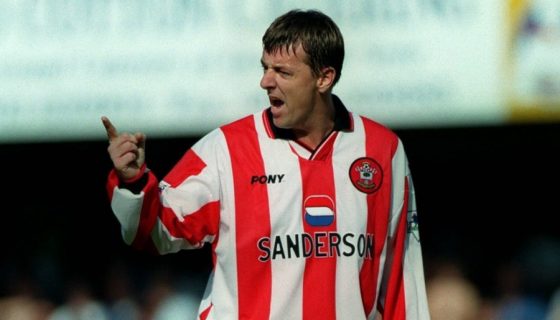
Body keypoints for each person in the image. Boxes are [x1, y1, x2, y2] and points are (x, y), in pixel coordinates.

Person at [102, 9, 430, 320]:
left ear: (324, 78)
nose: (265, 82)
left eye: (283, 72)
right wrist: (133, 181)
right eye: (265, 68)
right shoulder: (225, 149)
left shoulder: (382, 151)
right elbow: (157, 232)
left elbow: (403, 277)